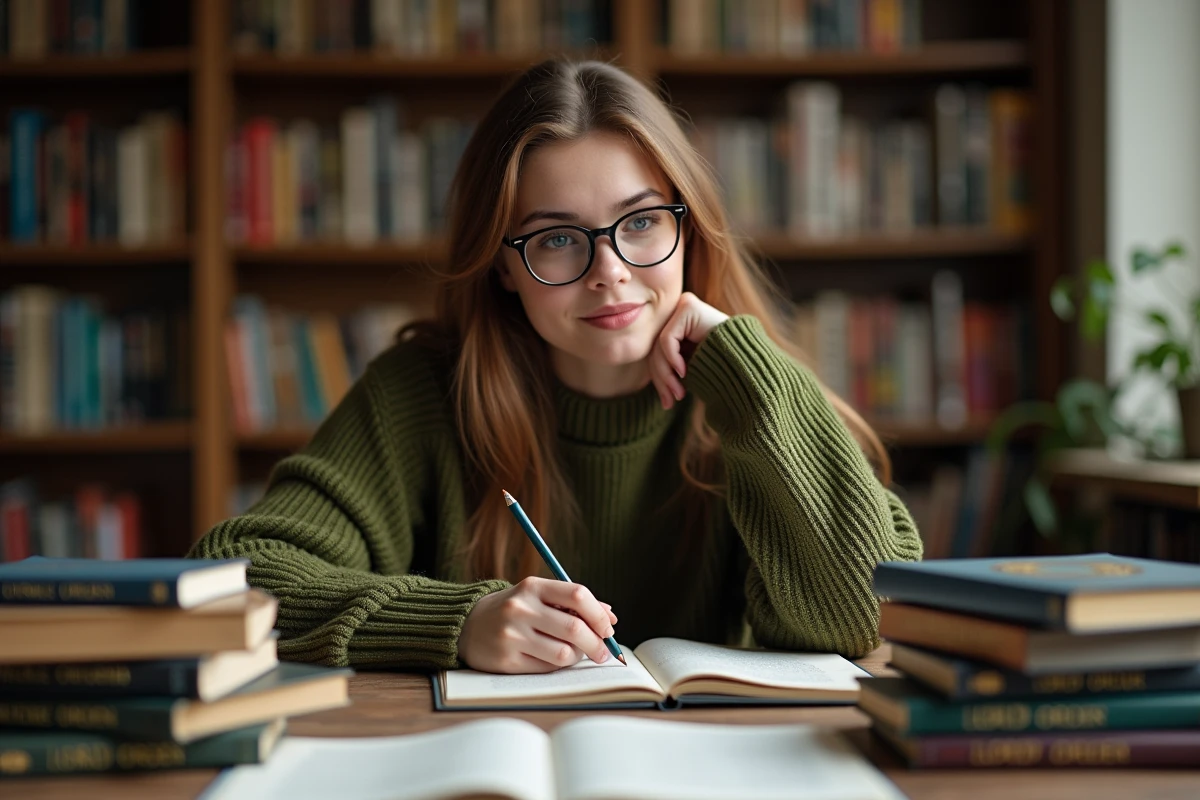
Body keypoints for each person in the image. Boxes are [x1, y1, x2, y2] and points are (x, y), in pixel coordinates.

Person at [189, 58, 922, 675]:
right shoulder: (422, 394)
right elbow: (235, 582)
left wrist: (754, 384)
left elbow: (869, 616)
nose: (609, 272)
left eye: (640, 223)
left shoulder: (760, 397)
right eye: (557, 239)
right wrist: (457, 622)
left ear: (686, 224)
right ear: (503, 265)